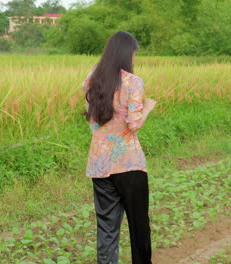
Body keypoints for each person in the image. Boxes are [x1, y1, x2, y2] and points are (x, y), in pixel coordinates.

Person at [82, 31, 157, 264]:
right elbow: (133, 124)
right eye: (133, 54)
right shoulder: (133, 82)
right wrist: (147, 108)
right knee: (138, 226)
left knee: (106, 227)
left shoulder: (92, 79)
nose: (134, 59)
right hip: (128, 164)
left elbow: (92, 120)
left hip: (99, 164)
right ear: (127, 54)